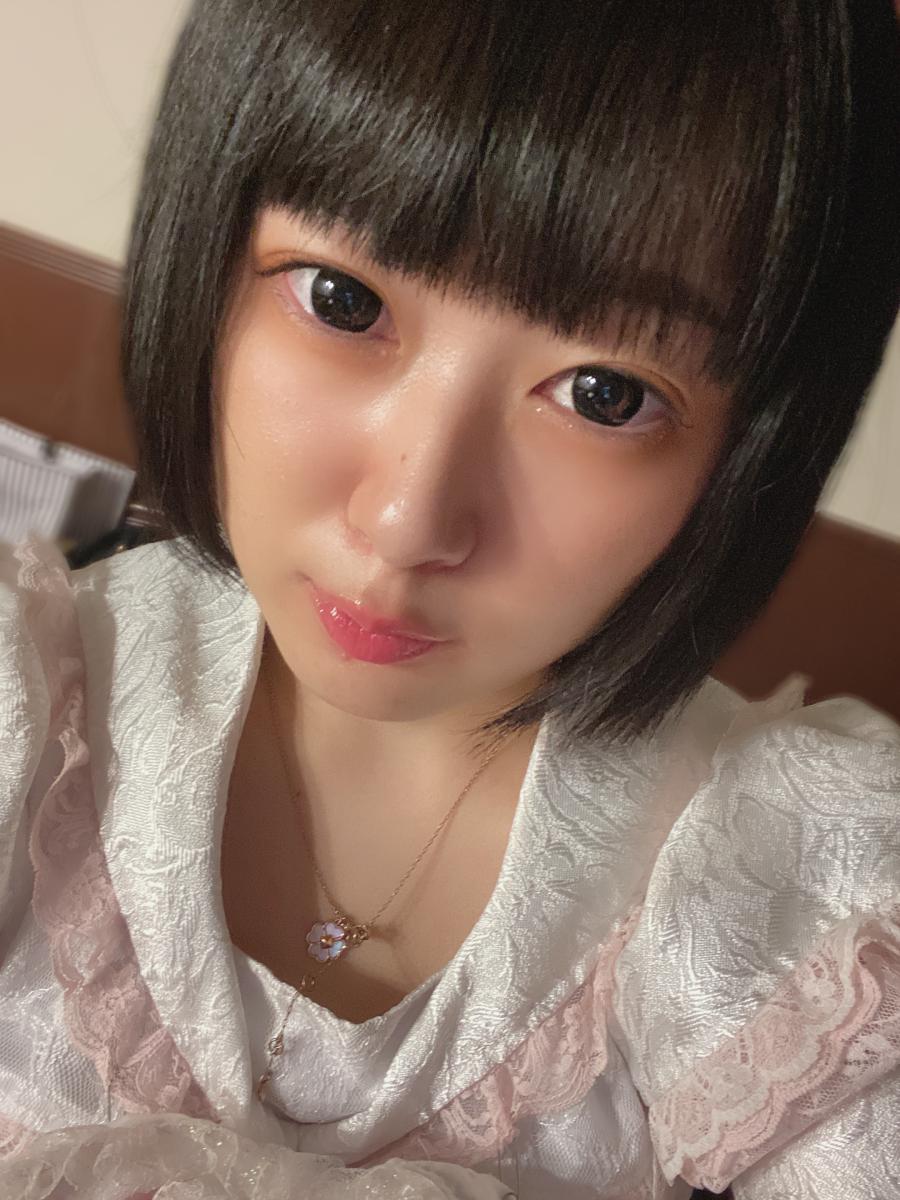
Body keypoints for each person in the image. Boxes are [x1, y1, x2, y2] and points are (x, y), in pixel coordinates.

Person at [1, 1, 898, 1196]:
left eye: (605, 394)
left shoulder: (785, 885)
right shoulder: (29, 709)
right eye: (341, 300)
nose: (407, 522)